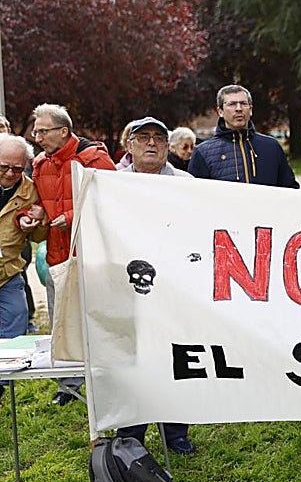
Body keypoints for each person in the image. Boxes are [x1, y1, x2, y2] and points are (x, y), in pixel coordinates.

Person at [115, 117, 196, 453]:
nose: (151, 143)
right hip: (127, 285)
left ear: (167, 145)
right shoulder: (110, 182)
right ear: (129, 145)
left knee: (174, 357)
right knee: (132, 359)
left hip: (174, 285)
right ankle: (130, 433)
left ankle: (175, 433)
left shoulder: (186, 183)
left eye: (159, 138)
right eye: (143, 137)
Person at [32, 104, 117, 404]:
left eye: (43, 131)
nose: (37, 137)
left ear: (63, 131)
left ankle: (106, 379)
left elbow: (111, 198)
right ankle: (68, 385)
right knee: (63, 323)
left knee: (100, 319)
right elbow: (39, 201)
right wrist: (34, 213)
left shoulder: (94, 158)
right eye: (36, 132)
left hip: (94, 255)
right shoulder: (39, 164)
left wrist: (70, 216)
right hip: (58, 257)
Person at [0, 134, 46, 403]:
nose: (10, 173)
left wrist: (36, 222)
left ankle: (2, 382)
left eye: (17, 168)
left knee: (17, 318)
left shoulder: (29, 191)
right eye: (4, 167)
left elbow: (40, 236)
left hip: (8, 272)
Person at [188, 84, 298, 187]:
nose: (238, 108)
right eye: (232, 104)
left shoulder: (272, 147)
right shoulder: (203, 153)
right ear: (220, 111)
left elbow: (290, 189)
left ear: (250, 110)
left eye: (243, 103)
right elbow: (194, 195)